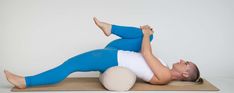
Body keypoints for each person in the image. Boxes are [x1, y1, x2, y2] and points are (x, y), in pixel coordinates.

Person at [4, 17, 203, 89]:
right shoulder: (166, 66)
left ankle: (26, 82)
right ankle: (110, 27)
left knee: (70, 65)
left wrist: (144, 34)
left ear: (185, 74)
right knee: (149, 37)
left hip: (113, 59)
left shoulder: (166, 75)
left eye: (186, 63)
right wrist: (147, 34)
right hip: (116, 51)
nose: (182, 60)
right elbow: (145, 48)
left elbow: (145, 52)